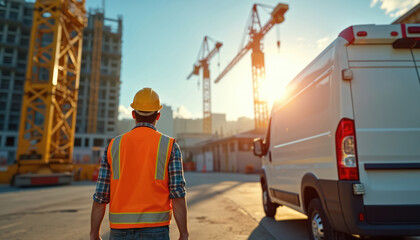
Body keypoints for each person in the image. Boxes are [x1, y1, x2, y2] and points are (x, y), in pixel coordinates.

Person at [90, 87, 188, 240]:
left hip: (118, 232)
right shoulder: (169, 146)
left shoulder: (113, 145)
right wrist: (184, 233)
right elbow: (177, 193)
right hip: (156, 230)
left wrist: (94, 233)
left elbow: (101, 196)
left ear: (133, 114)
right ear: (158, 115)